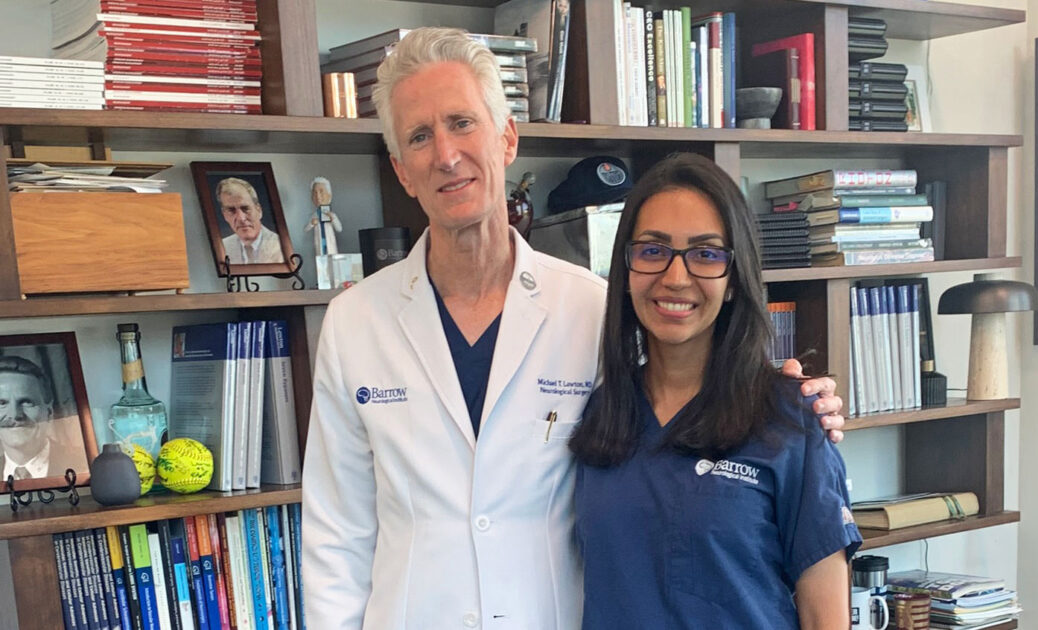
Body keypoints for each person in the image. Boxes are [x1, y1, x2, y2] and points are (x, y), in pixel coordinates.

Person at [301, 27, 844, 630]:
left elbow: (690, 365)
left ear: (507, 137)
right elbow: (337, 534)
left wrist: (792, 401)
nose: (445, 155)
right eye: (419, 137)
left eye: (461, 123)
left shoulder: (589, 306)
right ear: (401, 170)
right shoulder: (354, 323)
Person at [571, 153, 860, 629]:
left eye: (706, 254)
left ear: (732, 279)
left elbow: (824, 616)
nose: (676, 277)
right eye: (652, 250)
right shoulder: (601, 415)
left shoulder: (790, 419)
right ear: (626, 271)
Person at [0, 356, 88, 481]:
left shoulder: (82, 464)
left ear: (49, 411)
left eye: (26, 402)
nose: (15, 414)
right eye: (2, 403)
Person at [217, 177, 284, 264]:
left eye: (245, 208)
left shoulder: (280, 246)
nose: (241, 218)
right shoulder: (222, 248)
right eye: (231, 210)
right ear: (225, 215)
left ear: (259, 210)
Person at [305, 176, 343, 256]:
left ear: (329, 195)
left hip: (330, 243)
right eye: (315, 193)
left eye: (321, 192)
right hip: (319, 243)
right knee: (321, 261)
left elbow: (339, 228)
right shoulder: (314, 215)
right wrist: (311, 223)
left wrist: (333, 219)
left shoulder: (331, 215)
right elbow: (306, 229)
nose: (318, 196)